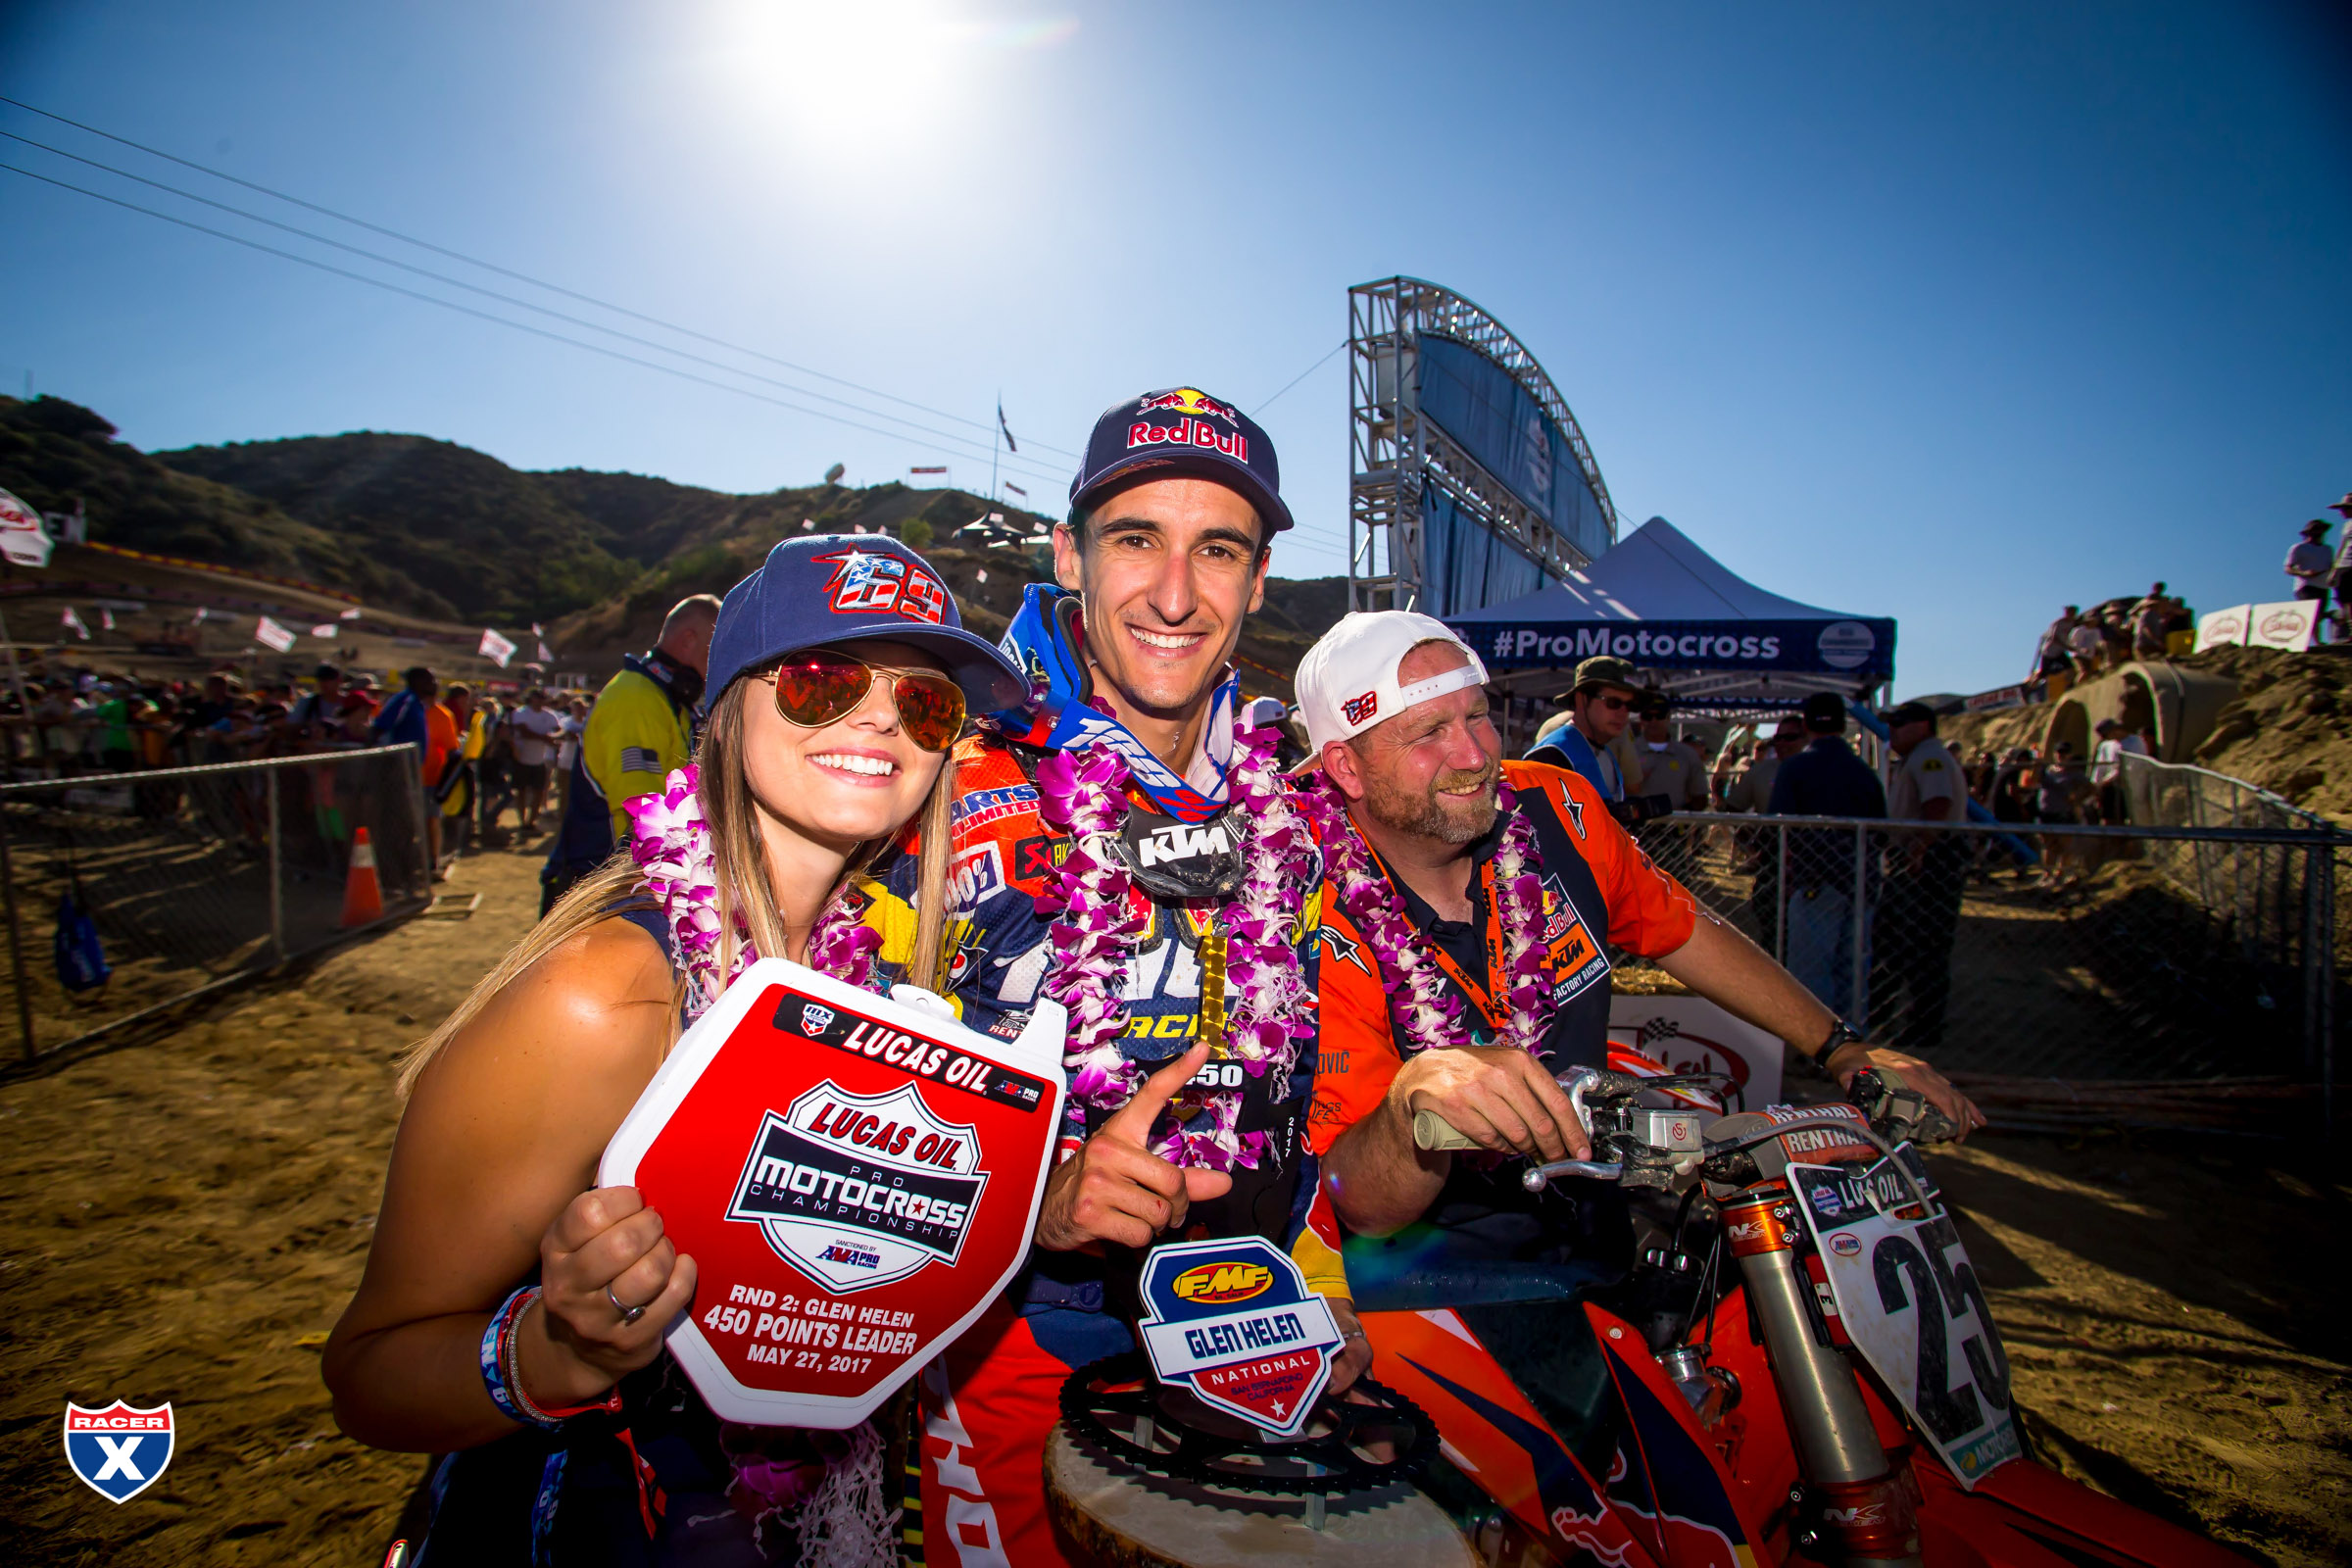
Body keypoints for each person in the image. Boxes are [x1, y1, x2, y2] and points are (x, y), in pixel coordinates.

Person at [323, 534, 1024, 1565]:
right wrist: (552, 1351)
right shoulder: (607, 992)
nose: (880, 716)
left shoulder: (870, 995)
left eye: (925, 704)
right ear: (726, 709)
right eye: (823, 680)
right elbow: (370, 1374)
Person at [892, 387, 1361, 1566]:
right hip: (1006, 1338)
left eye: (1218, 549)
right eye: (1135, 538)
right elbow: (801, 1113)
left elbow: (1297, 1095)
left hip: (1241, 1321)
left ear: (1258, 582)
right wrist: (1031, 1196)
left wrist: (1319, 1280)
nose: (1172, 593)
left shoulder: (1288, 813)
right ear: (1070, 553)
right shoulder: (933, 769)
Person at [1295, 612, 1978, 1251]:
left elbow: (1681, 929)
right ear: (1346, 768)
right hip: (1434, 1273)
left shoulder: (1556, 805)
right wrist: (1414, 1105)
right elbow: (1362, 1204)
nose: (1474, 755)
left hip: (1595, 1216)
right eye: (1428, 733)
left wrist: (1840, 1049)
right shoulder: (1305, 913)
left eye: (1478, 715)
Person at [541, 596, 719, 915]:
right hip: (603, 888)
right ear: (688, 639)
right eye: (713, 648)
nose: (717, 661)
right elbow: (641, 814)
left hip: (624, 884)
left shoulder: (664, 698)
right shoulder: (636, 699)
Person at [1767, 691, 1886, 1021]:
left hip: (1815, 879)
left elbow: (1778, 825)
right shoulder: (1864, 772)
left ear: (1806, 725)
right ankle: (1851, 1037)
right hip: (1860, 880)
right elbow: (1882, 830)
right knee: (1853, 967)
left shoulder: (1795, 768)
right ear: (1844, 724)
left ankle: (1818, 1044)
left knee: (1810, 967)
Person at [1870, 701, 1969, 1052]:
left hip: (1929, 861)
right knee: (1899, 942)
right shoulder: (1921, 757)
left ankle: (1924, 1026)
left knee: (1923, 945)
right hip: (1919, 856)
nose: (1892, 730)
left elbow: (1937, 804)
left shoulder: (1931, 758)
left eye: (1899, 723)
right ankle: (1899, 1017)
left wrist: (1921, 847)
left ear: (1923, 725)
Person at [371, 666, 456, 878]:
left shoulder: (417, 704)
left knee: (412, 822)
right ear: (418, 681)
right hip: (398, 772)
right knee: (401, 821)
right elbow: (380, 727)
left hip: (412, 773)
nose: (433, 683)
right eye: (429, 680)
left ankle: (405, 869)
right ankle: (395, 872)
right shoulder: (405, 700)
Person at [1526, 654, 1640, 803]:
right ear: (1582, 699)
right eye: (1613, 703)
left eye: (1629, 705)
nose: (1623, 713)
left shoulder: (1606, 753)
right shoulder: (1551, 754)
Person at [1630, 698, 1708, 809]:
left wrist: (1682, 820)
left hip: (1674, 823)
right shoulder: (1628, 752)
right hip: (1636, 824)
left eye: (1659, 716)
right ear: (1641, 719)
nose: (1653, 721)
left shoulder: (1687, 754)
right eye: (1648, 716)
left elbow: (1700, 797)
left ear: (1668, 718)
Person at [509, 687, 566, 834]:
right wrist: (547, 738)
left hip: (539, 759)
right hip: (521, 758)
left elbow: (558, 730)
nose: (539, 701)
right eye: (536, 698)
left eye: (541, 698)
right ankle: (522, 821)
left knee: (539, 792)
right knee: (521, 791)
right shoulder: (521, 713)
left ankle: (531, 822)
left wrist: (555, 736)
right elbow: (524, 732)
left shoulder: (549, 715)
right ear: (531, 699)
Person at [2286, 519, 2332, 617]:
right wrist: (2304, 573)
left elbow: (2330, 567)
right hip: (2306, 586)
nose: (2319, 532)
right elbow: (2288, 568)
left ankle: (2317, 633)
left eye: (2320, 530)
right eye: (2315, 529)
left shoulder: (2327, 549)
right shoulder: (2299, 548)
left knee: (2319, 616)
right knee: (2310, 616)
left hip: (2323, 587)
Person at [2034, 606, 2078, 701]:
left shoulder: (2073, 623)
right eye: (2069, 612)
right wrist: (2067, 646)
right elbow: (2054, 638)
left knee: (2070, 668)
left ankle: (2069, 687)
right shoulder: (2058, 623)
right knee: (2042, 674)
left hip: (2060, 652)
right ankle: (2029, 690)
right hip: (2049, 652)